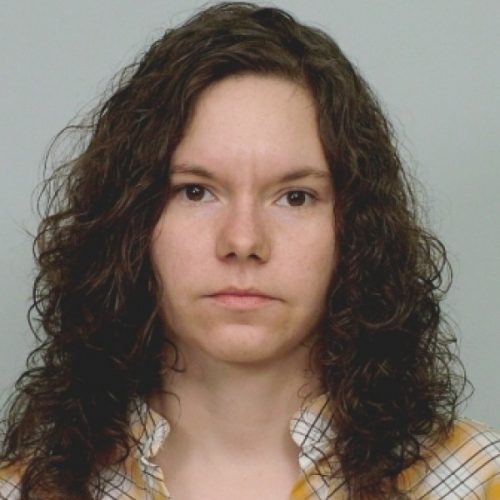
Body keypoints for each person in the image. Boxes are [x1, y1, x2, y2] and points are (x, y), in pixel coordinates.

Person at [1, 2, 499, 499]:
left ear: (357, 231)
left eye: (295, 197)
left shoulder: (477, 481)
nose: (243, 241)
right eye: (195, 191)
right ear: (130, 221)